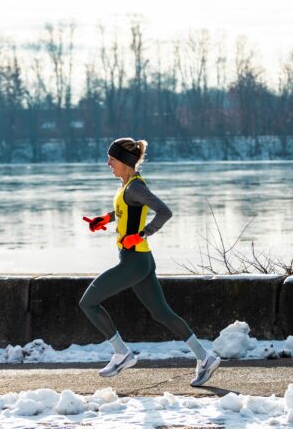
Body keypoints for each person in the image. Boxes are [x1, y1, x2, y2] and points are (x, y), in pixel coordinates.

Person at [80, 137, 221, 387]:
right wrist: (104, 218)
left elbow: (165, 212)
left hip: (134, 262)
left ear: (125, 162)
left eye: (111, 159)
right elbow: (126, 211)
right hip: (141, 260)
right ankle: (205, 357)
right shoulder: (127, 187)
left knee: (88, 302)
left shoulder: (135, 187)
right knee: (162, 313)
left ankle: (121, 353)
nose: (108, 163)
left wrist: (141, 234)